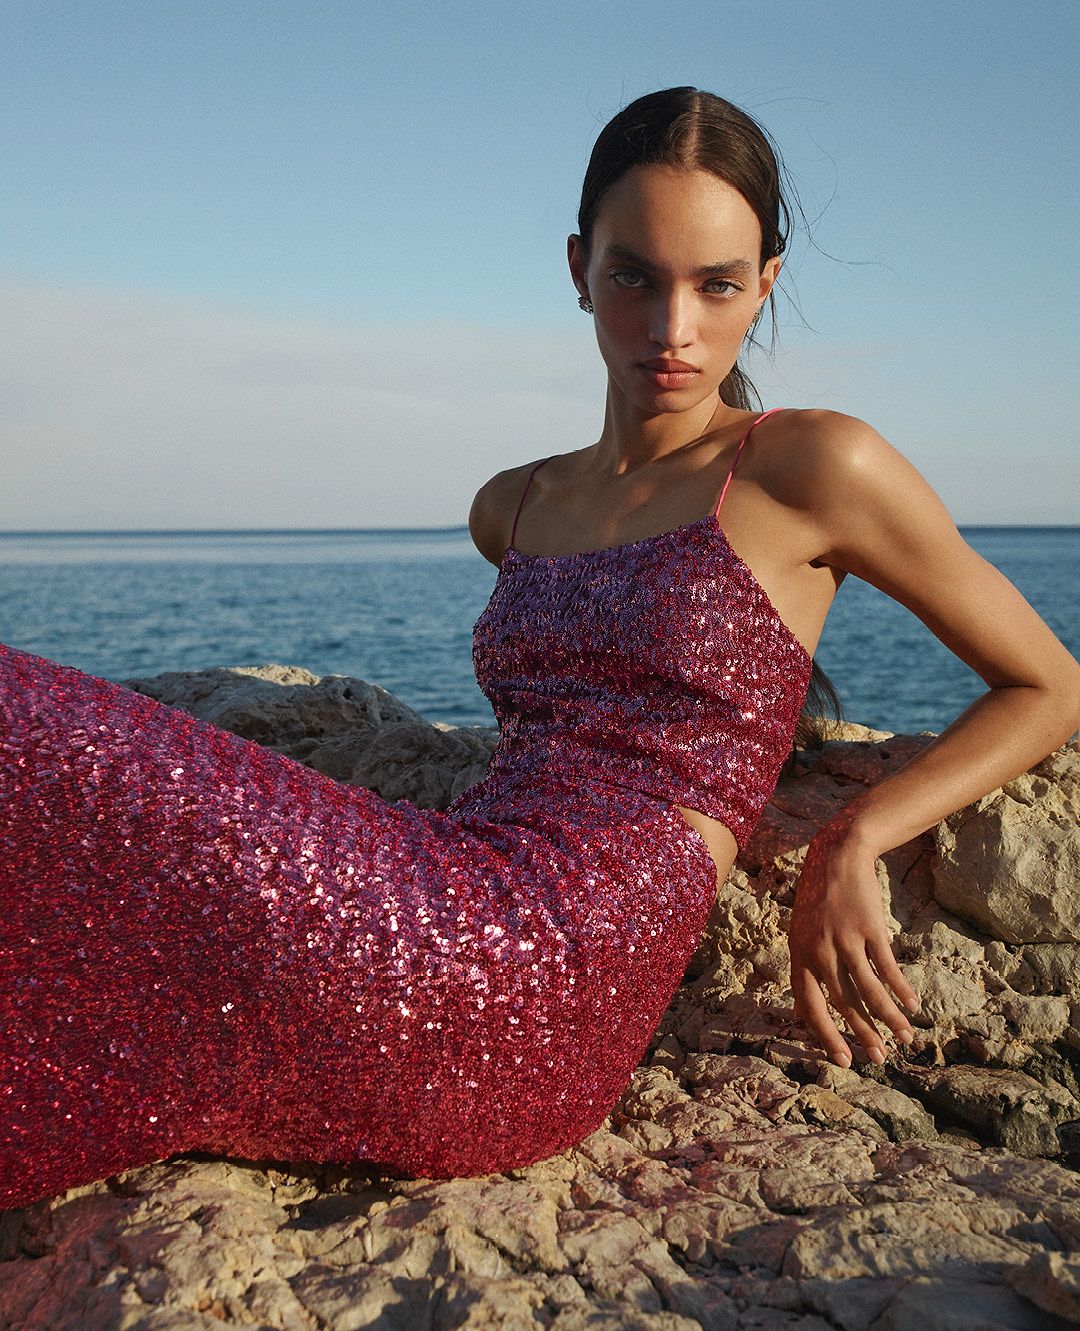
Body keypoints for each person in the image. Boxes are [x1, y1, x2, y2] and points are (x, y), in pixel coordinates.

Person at [1, 88, 1077, 1212]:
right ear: (578, 269)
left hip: (542, 985)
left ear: (765, 280)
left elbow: (1047, 684)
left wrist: (860, 834)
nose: (675, 328)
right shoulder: (510, 507)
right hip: (443, 891)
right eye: (634, 277)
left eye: (717, 285)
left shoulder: (810, 467)